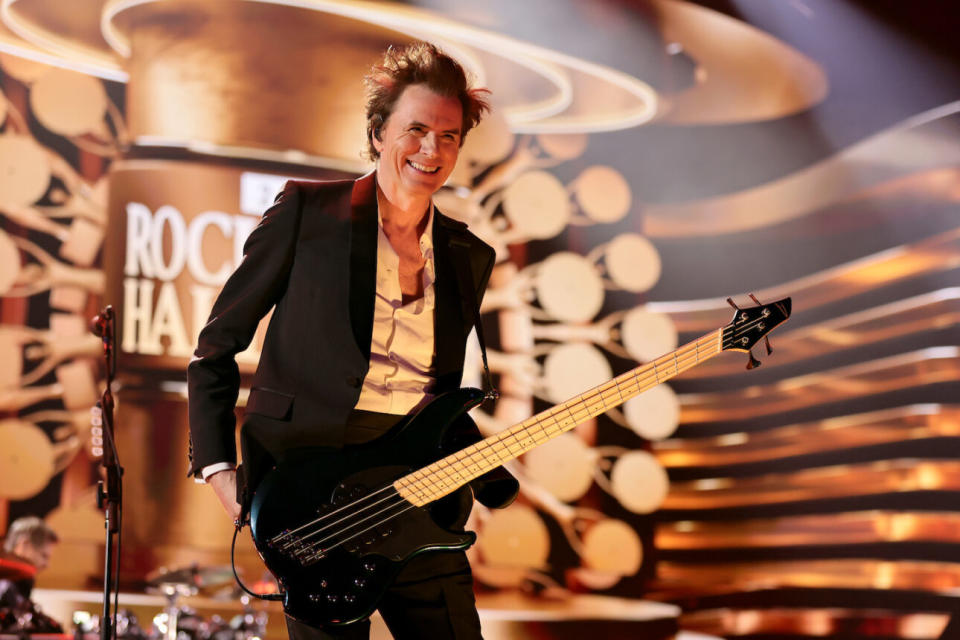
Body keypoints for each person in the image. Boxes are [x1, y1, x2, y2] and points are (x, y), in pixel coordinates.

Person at [187, 42, 517, 640]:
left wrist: (485, 466)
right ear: (376, 134)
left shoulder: (471, 254)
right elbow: (216, 347)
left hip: (418, 482)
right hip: (310, 483)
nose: (430, 149)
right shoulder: (307, 212)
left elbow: (448, 392)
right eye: (415, 130)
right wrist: (217, 469)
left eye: (448, 136)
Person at [0, 517, 58, 611]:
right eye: (44, 556)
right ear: (24, 545)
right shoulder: (5, 585)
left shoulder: (21, 583)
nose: (47, 565)